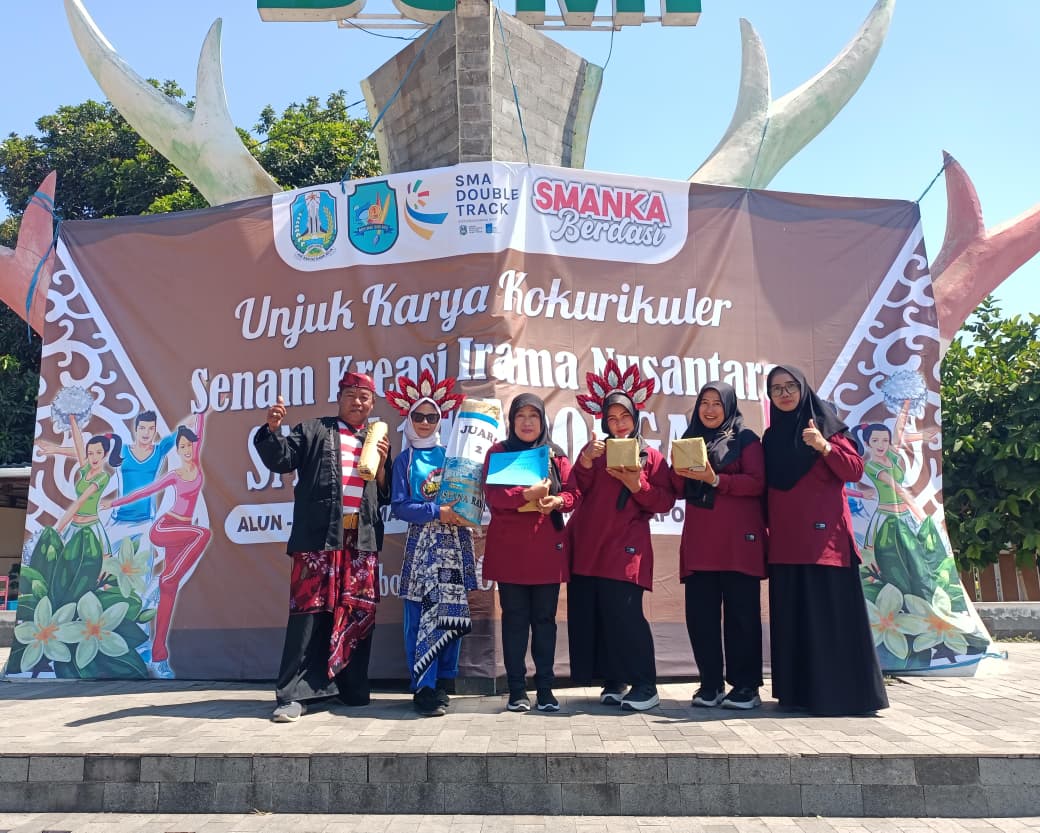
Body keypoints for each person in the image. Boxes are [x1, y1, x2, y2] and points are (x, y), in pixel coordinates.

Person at [253, 372, 392, 723]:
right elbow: (282, 459)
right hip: (319, 539)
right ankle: (294, 695)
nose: (357, 402)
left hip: (360, 542)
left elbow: (384, 494)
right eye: (351, 395)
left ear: (372, 404)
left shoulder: (375, 439)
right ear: (339, 398)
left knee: (357, 612)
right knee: (309, 614)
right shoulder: (315, 429)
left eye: (364, 397)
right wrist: (272, 430)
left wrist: (382, 466)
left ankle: (350, 687)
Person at [762, 365, 888, 716]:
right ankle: (799, 695)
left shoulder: (826, 427)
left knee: (830, 620)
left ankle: (842, 697)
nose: (784, 394)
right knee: (795, 620)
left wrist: (823, 447)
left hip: (825, 542)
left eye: (790, 386)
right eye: (776, 389)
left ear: (804, 389)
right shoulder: (770, 438)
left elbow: (854, 470)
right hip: (786, 542)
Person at [568, 361, 674, 711]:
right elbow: (575, 491)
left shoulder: (650, 456)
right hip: (589, 545)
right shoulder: (594, 453)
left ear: (635, 417)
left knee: (625, 614)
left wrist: (637, 483)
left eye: (624, 416)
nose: (619, 424)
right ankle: (614, 680)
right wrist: (585, 462)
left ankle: (645, 685)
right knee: (598, 613)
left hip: (626, 547)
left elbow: (664, 500)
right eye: (612, 419)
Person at [671, 382, 767, 710]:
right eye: (704, 403)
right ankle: (710, 685)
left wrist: (715, 479)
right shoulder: (689, 440)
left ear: (729, 406)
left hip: (739, 543)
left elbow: (757, 483)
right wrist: (676, 466)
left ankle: (745, 687)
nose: (710, 409)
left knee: (742, 617)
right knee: (701, 618)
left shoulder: (746, 439)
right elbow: (677, 487)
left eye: (717, 403)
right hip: (700, 543)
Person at [387, 371, 476, 718]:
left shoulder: (451, 456)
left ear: (441, 421)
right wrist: (437, 511)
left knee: (451, 611)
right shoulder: (404, 460)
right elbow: (399, 506)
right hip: (422, 545)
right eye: (418, 417)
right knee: (420, 613)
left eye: (431, 417)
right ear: (409, 420)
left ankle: (442, 681)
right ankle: (422, 685)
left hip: (453, 542)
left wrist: (464, 512)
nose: (425, 423)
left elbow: (468, 497)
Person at [482, 394, 578, 713]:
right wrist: (527, 494)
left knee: (544, 620)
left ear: (542, 421)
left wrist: (558, 501)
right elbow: (493, 495)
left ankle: (546, 690)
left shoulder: (555, 454)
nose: (527, 422)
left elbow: (574, 492)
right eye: (520, 416)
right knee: (514, 620)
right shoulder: (499, 452)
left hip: (546, 550)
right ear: (511, 422)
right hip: (510, 551)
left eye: (533, 416)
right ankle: (516, 691)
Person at [101, 414, 209, 679]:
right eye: (181, 446)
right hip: (165, 528)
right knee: (202, 534)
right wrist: (113, 503)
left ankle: (159, 656)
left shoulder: (196, 463)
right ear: (177, 450)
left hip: (182, 535)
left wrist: (201, 411)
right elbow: (145, 492)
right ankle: (164, 580)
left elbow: (200, 425)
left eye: (189, 445)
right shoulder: (174, 474)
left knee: (168, 593)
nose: (186, 450)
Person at [38, 414, 123, 556]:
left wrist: (58, 529)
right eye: (90, 453)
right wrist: (72, 419)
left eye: (98, 452)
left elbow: (79, 502)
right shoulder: (87, 470)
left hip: (91, 528)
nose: (94, 457)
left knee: (97, 567)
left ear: (105, 454)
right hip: (74, 527)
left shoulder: (103, 477)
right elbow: (79, 446)